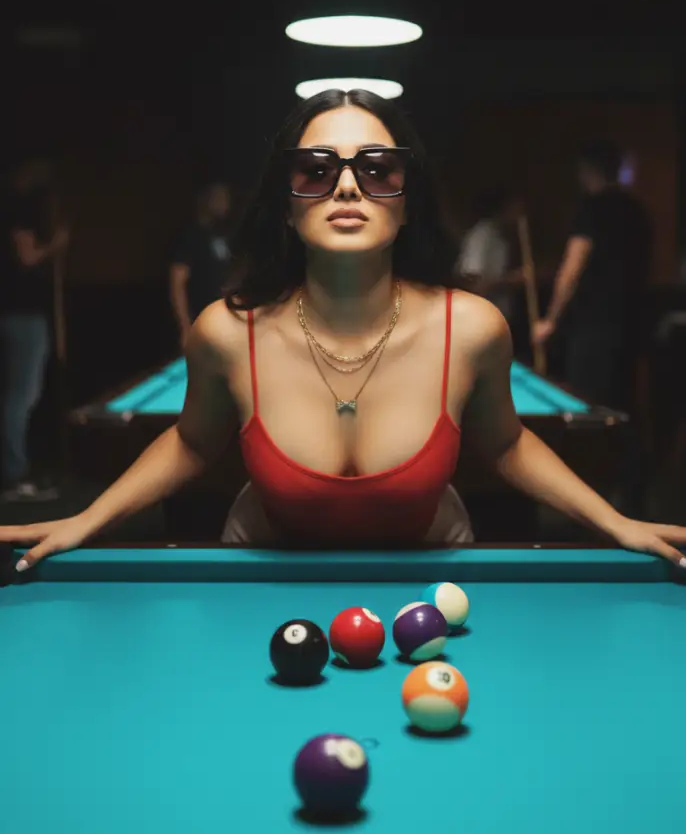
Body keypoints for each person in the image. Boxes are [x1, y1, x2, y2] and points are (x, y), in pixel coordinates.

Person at [1, 92, 685, 571]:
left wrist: (614, 523)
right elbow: (189, 442)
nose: (349, 187)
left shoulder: (473, 328)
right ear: (286, 206)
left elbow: (506, 443)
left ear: (407, 201)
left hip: (434, 562)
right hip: (259, 563)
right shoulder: (225, 332)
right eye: (317, 170)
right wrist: (82, 520)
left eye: (378, 168)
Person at [533, 140, 653, 413]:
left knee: (587, 411)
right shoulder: (639, 211)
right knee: (621, 409)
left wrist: (550, 321)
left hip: (594, 329)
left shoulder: (592, 208)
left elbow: (573, 267)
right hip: (631, 327)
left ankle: (589, 457)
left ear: (586, 170)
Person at [0, 159, 68, 502]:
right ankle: (13, 477)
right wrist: (56, 243)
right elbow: (28, 258)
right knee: (19, 398)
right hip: (21, 316)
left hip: (21, 315)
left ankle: (16, 471)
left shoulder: (17, 208)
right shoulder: (17, 210)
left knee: (20, 397)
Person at [169, 181, 232, 350]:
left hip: (226, 322)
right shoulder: (191, 236)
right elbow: (177, 283)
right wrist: (185, 327)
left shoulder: (224, 235)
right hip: (202, 324)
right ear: (207, 200)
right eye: (219, 198)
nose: (225, 202)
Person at [457, 187, 525, 325]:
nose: (522, 214)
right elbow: (472, 284)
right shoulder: (482, 236)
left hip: (498, 320)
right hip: (480, 321)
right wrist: (513, 280)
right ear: (505, 208)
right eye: (517, 208)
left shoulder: (504, 239)